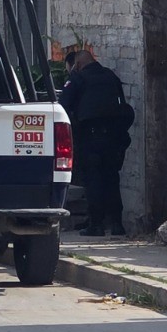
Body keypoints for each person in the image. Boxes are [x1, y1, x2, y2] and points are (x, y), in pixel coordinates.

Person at [58, 48, 133, 237]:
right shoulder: (111, 76)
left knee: (93, 180)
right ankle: (117, 224)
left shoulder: (78, 79)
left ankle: (96, 224)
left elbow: (63, 107)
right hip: (113, 138)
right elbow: (122, 106)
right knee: (111, 178)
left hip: (90, 137)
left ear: (77, 65)